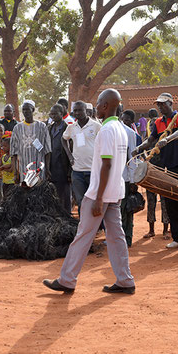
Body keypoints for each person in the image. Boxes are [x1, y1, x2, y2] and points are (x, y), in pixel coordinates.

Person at [42, 88, 135, 294]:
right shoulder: (120, 128)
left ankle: (67, 279)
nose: (98, 106)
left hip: (100, 193)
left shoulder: (106, 130)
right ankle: (125, 280)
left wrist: (98, 198)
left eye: (100, 102)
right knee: (116, 236)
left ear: (105, 105)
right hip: (115, 192)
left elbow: (107, 166)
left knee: (83, 235)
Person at [134, 93, 178, 251]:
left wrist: (167, 139)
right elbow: (151, 140)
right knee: (170, 203)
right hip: (167, 167)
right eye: (158, 104)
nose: (160, 107)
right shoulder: (157, 122)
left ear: (171, 103)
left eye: (163, 104)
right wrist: (140, 148)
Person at [62, 100, 101, 211]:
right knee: (81, 202)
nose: (77, 113)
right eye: (75, 111)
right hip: (77, 171)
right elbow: (63, 139)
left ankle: (98, 227)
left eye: (80, 110)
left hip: (93, 170)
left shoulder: (96, 126)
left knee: (94, 201)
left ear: (86, 111)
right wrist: (69, 155)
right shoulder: (71, 127)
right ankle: (84, 227)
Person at [143, 108, 170, 239]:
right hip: (152, 169)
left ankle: (158, 229)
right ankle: (161, 230)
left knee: (158, 199)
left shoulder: (163, 140)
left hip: (161, 169)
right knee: (156, 199)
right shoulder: (149, 142)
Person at [10, 100, 51, 183]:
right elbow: (13, 152)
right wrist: (15, 173)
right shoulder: (17, 128)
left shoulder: (42, 126)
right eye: (23, 109)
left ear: (33, 110)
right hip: (23, 169)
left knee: (39, 192)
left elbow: (48, 150)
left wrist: (47, 169)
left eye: (28, 109)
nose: (25, 112)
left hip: (39, 168)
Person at [120, 109, 141, 247]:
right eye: (123, 119)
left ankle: (127, 238)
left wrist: (133, 181)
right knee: (117, 211)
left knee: (127, 209)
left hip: (126, 179)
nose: (124, 121)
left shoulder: (131, 134)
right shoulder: (111, 130)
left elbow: (133, 159)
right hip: (114, 178)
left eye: (127, 120)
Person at [47, 104, 72, 213]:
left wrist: (70, 170)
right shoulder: (50, 128)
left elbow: (71, 149)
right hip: (52, 165)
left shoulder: (67, 128)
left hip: (63, 166)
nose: (53, 116)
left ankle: (66, 216)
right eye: (51, 114)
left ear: (61, 114)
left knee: (65, 194)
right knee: (54, 194)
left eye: (55, 113)